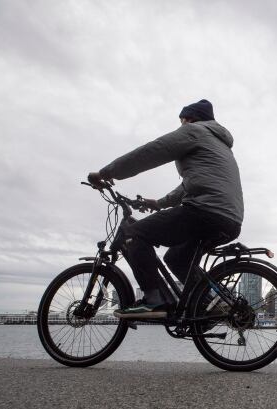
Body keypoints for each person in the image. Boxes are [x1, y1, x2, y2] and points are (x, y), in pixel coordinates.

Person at [87, 99, 243, 318]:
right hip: (229, 219)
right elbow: (192, 184)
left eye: (181, 121)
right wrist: (159, 203)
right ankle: (208, 306)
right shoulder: (218, 143)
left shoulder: (195, 131)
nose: (181, 125)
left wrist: (106, 173)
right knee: (176, 259)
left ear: (188, 118)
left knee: (134, 234)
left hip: (205, 212)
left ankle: (154, 300)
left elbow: (152, 152)